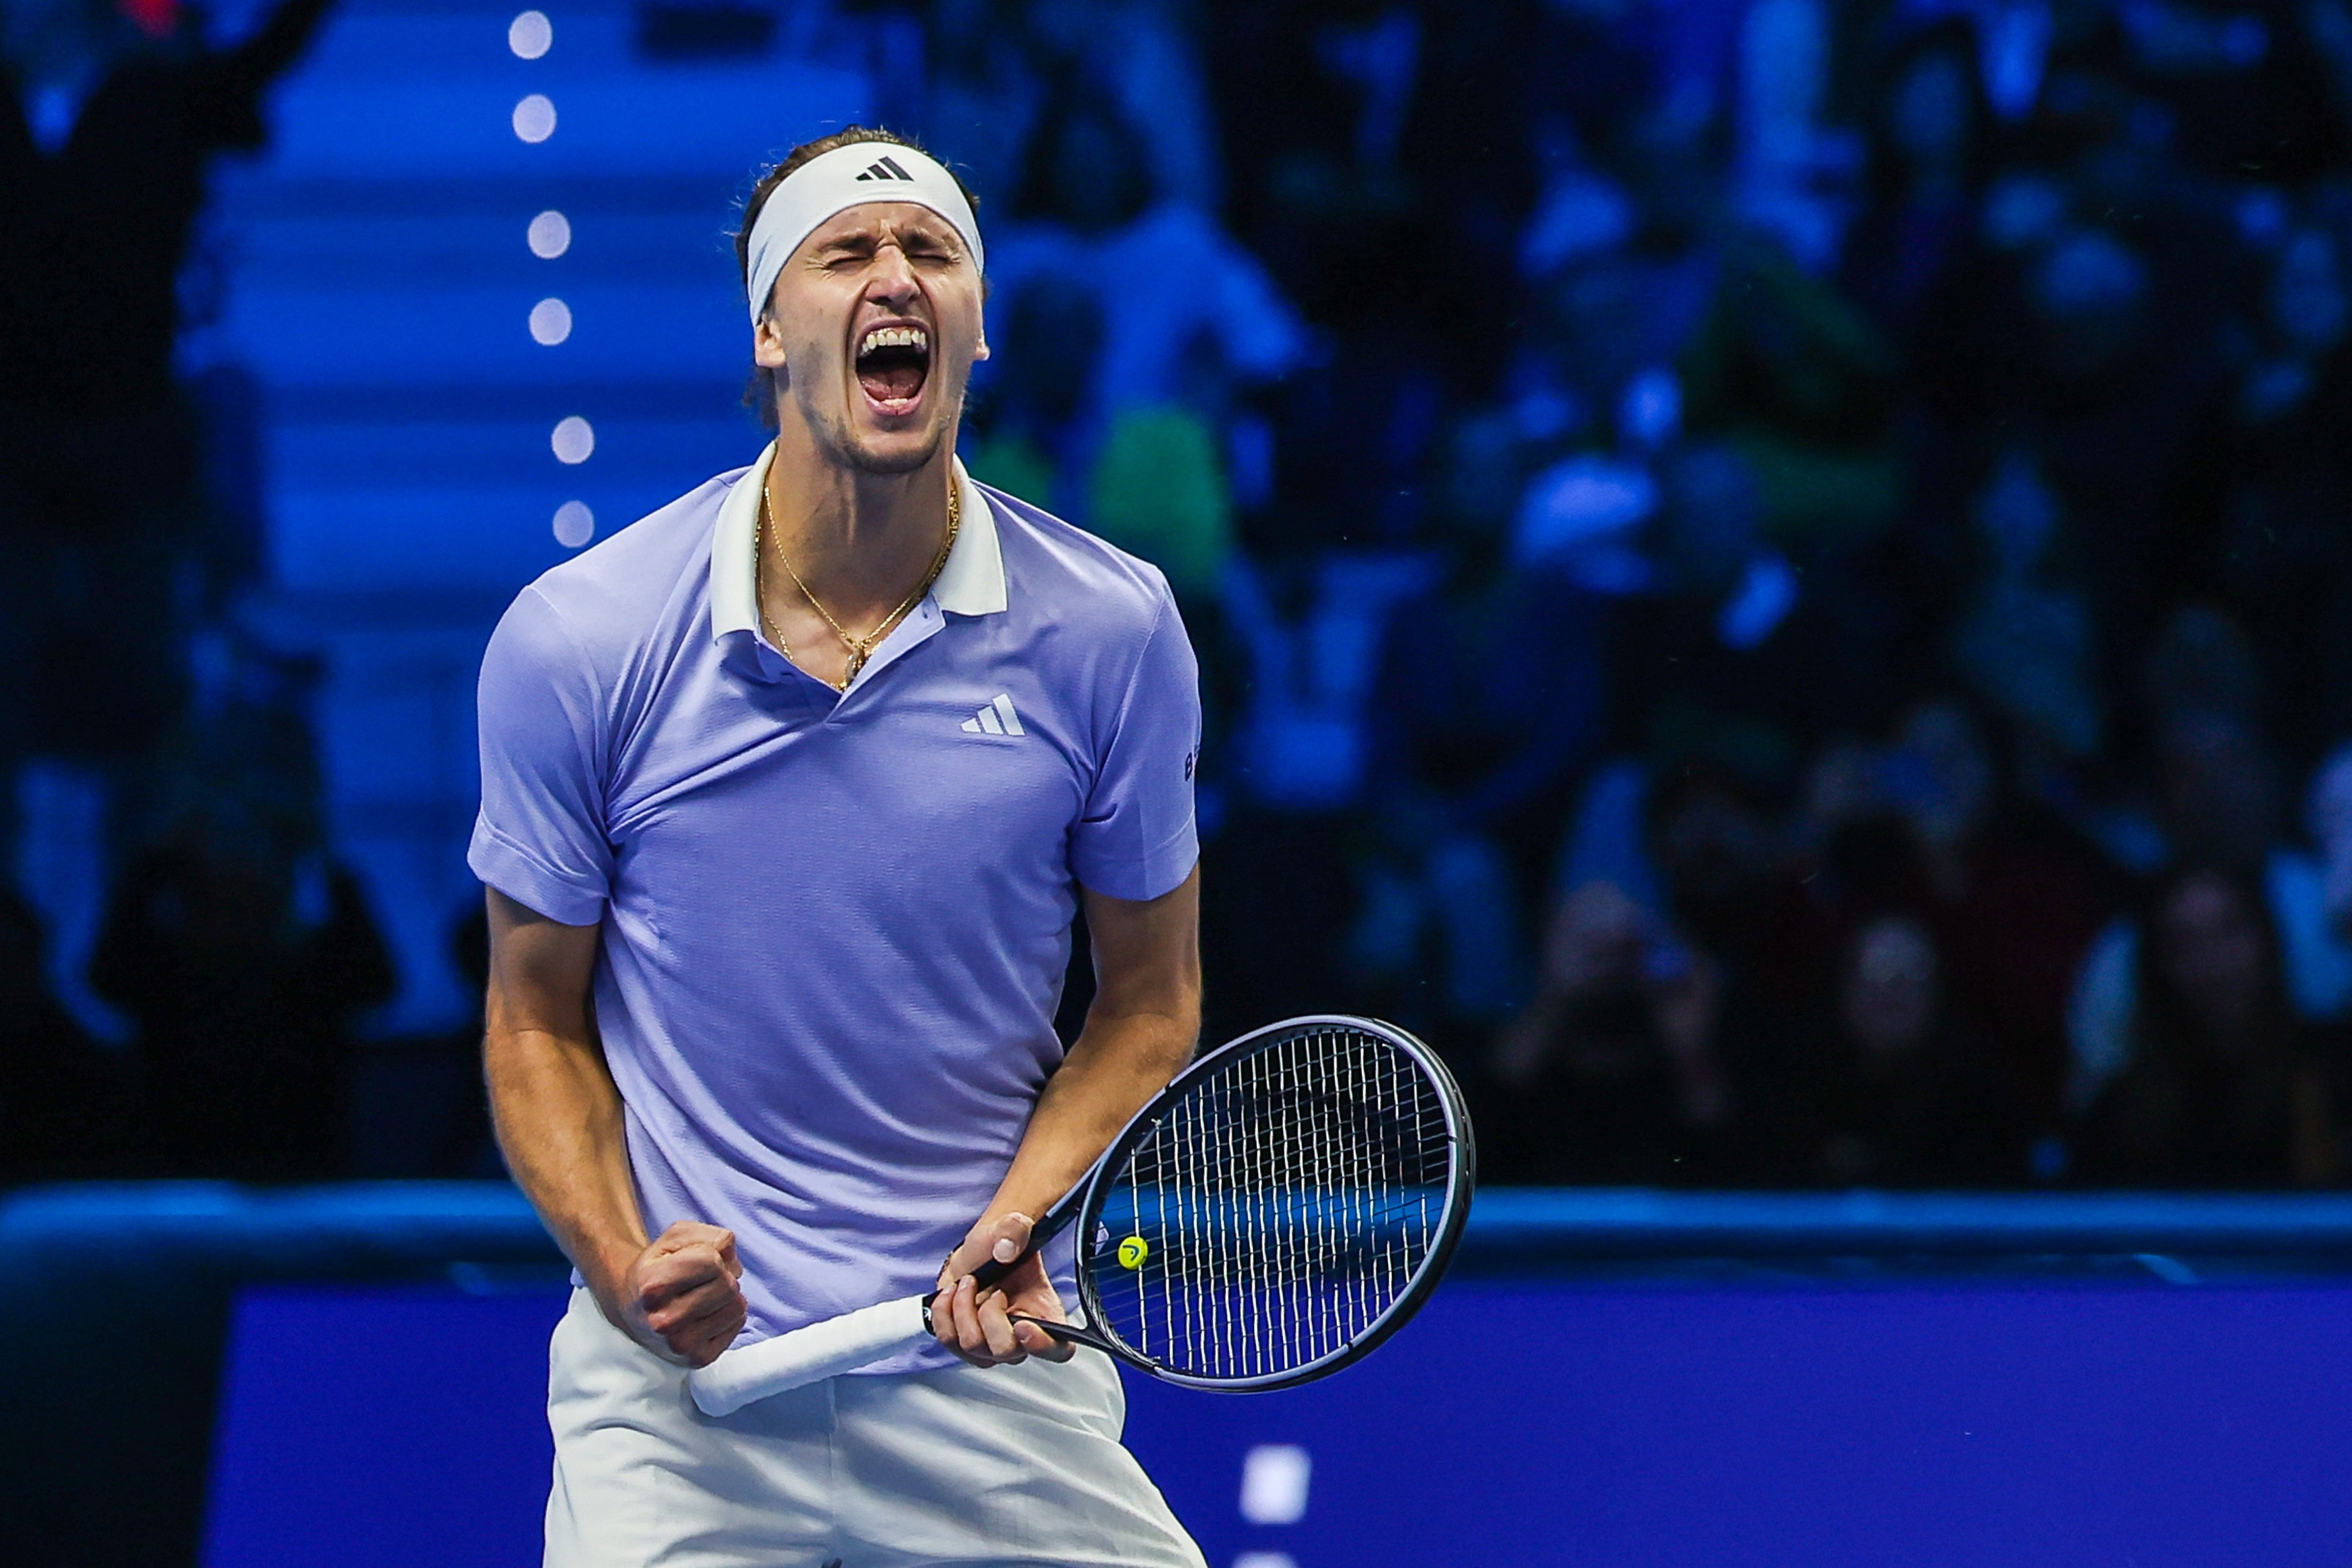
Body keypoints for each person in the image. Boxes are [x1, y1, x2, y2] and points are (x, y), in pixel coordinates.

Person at [472, 128, 1207, 1566]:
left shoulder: (1113, 631)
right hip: (679, 1407)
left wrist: (1015, 1219)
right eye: (849, 252)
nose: (898, 278)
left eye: (932, 253)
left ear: (976, 324)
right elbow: (530, 1021)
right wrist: (630, 1271)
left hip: (979, 1370)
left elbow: (1149, 1004)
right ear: (768, 329)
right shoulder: (581, 638)